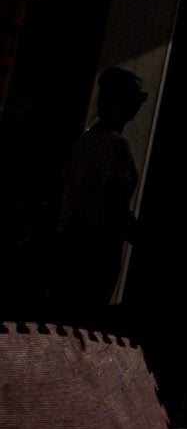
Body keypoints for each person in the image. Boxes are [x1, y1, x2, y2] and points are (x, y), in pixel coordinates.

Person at [49, 66, 147, 326]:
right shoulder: (115, 145)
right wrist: (146, 240)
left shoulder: (86, 141)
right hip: (95, 247)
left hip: (69, 241)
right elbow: (114, 204)